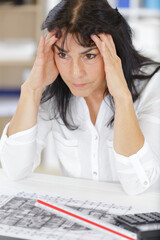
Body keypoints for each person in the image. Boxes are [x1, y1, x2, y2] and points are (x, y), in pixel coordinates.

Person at [0, 0, 160, 195]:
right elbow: (14, 169)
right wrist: (32, 88)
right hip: (80, 217)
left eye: (89, 56)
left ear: (114, 50)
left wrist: (122, 97)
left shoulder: (153, 85)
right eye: (63, 55)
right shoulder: (55, 84)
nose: (75, 73)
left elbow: (138, 184)